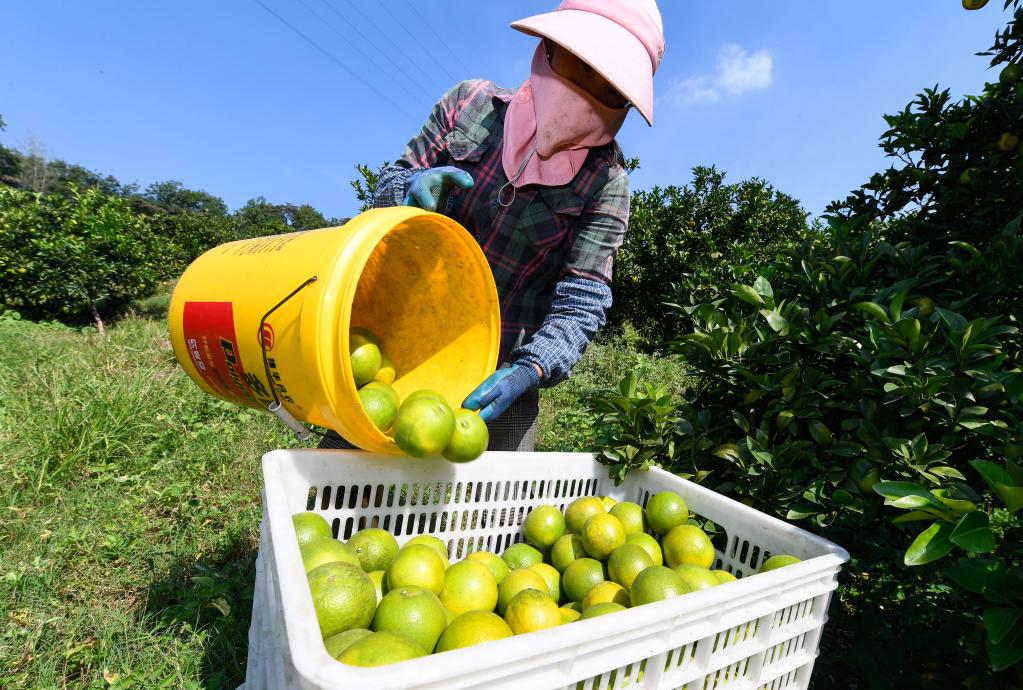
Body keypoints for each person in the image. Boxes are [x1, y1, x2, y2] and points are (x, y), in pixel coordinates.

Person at [321, 0, 665, 452]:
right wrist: (404, 191)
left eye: (609, 87)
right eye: (579, 66)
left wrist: (532, 369)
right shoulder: (469, 105)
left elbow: (582, 300)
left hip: (499, 377)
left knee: (487, 514)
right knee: (350, 486)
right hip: (395, 347)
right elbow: (392, 180)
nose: (585, 93)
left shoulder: (605, 185)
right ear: (547, 49)